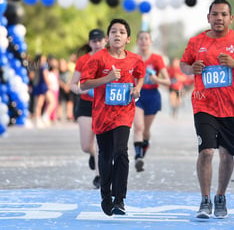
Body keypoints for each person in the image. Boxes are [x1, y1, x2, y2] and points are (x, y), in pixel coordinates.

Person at [180, 0, 234, 219]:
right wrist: (191, 69)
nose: (219, 18)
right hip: (203, 104)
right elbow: (183, 64)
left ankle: (220, 197)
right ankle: (205, 200)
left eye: (224, 14)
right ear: (208, 17)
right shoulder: (196, 41)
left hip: (232, 109)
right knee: (206, 151)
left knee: (227, 156)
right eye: (215, 14)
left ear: (231, 18)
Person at [80, 18, 145, 216]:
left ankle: (119, 199)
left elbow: (140, 75)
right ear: (108, 37)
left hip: (124, 114)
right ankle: (105, 194)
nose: (117, 35)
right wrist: (107, 79)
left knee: (121, 152)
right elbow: (84, 84)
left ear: (128, 38)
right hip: (102, 115)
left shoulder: (134, 60)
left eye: (121, 32)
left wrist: (137, 89)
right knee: (106, 157)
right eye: (113, 32)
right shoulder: (98, 58)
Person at [70, 29, 107, 190]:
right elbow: (72, 84)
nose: (97, 43)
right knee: (86, 146)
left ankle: (99, 176)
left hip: (105, 105)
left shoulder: (111, 58)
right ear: (90, 42)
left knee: (100, 143)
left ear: (105, 41)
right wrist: (81, 90)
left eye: (100, 40)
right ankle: (92, 155)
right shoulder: (83, 60)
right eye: (94, 41)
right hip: (85, 104)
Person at [133, 31, 170, 172]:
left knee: (146, 130)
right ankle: (138, 157)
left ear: (150, 42)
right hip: (137, 95)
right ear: (137, 41)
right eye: (141, 39)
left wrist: (157, 79)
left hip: (152, 95)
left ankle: (145, 144)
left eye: (146, 39)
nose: (143, 41)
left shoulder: (157, 59)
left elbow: (167, 81)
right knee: (138, 127)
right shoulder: (133, 58)